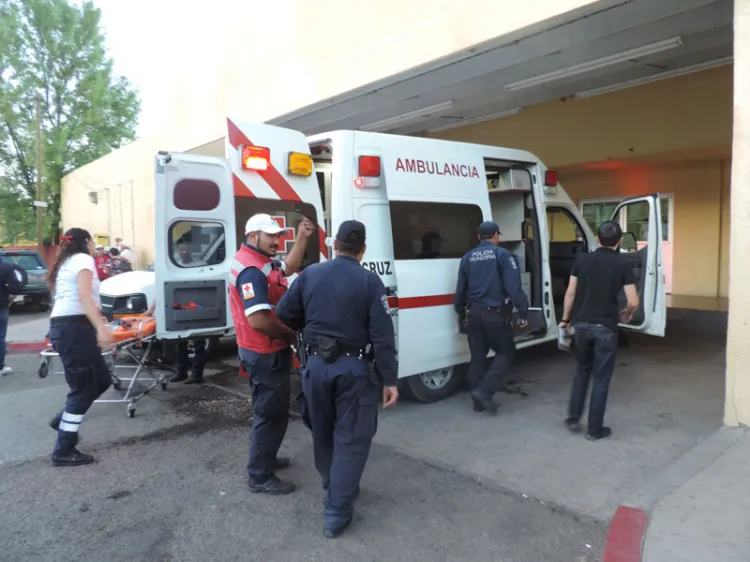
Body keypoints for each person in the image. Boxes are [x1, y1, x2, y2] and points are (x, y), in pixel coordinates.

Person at [276, 220, 399, 539]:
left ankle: (335, 485)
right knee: (353, 438)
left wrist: (313, 321)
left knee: (323, 432)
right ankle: (336, 510)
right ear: (363, 250)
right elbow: (383, 336)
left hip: (315, 369)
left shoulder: (310, 274)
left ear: (334, 246)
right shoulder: (370, 281)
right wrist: (390, 379)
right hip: (353, 370)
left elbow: (284, 312)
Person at [228, 213, 315, 495]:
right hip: (264, 352)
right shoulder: (251, 270)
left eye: (278, 236)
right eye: (271, 236)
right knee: (270, 414)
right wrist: (293, 336)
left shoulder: (260, 261)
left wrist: (302, 237)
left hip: (261, 351)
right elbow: (259, 320)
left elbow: (287, 269)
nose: (276, 241)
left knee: (271, 410)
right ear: (254, 236)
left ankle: (266, 458)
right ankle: (260, 476)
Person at [559, 220, 639, 441]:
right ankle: (594, 430)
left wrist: (565, 320)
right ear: (620, 241)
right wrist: (627, 313)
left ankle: (573, 417)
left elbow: (571, 294)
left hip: (581, 326)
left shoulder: (582, 259)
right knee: (601, 379)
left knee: (582, 371)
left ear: (597, 239)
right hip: (605, 328)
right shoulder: (622, 264)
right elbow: (632, 300)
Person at [47, 228, 114, 466]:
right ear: (86, 242)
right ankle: (64, 449)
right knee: (84, 387)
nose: (95, 245)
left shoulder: (66, 261)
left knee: (102, 380)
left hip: (72, 326)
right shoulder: (84, 259)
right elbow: (84, 296)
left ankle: (64, 419)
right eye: (93, 241)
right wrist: (101, 329)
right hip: (74, 329)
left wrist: (97, 318)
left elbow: (78, 297)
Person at [454, 221, 529, 415]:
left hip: (474, 314)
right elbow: (514, 288)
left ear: (479, 237)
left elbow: (460, 290)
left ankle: (477, 402)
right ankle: (484, 391)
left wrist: (461, 314)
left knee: (478, 357)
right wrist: (523, 311)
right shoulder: (503, 255)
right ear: (496, 236)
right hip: (495, 315)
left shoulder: (467, 258)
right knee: (506, 352)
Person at [0, 256, 27, 376]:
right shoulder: (6, 266)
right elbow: (15, 286)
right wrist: (10, 298)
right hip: (1, 304)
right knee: (0, 336)